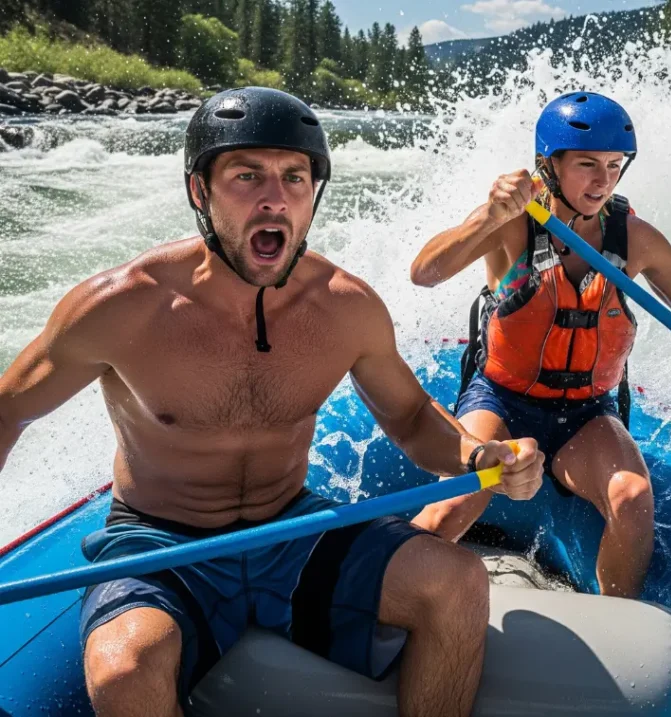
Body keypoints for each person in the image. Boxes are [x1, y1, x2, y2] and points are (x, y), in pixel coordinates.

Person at [0, 87, 544, 717]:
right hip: (161, 546)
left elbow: (411, 417)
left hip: (292, 528)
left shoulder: (345, 306)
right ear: (199, 192)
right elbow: (9, 408)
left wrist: (480, 452)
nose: (275, 198)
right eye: (246, 175)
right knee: (123, 669)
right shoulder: (123, 306)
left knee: (458, 582)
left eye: (295, 177)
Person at [410, 91, 671, 599]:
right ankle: (384, 592)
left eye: (615, 166)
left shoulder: (634, 239)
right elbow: (424, 273)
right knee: (458, 501)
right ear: (548, 166)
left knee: (633, 496)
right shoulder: (513, 225)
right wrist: (488, 214)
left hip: (587, 412)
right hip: (500, 399)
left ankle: (618, 625)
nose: (603, 180)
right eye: (587, 164)